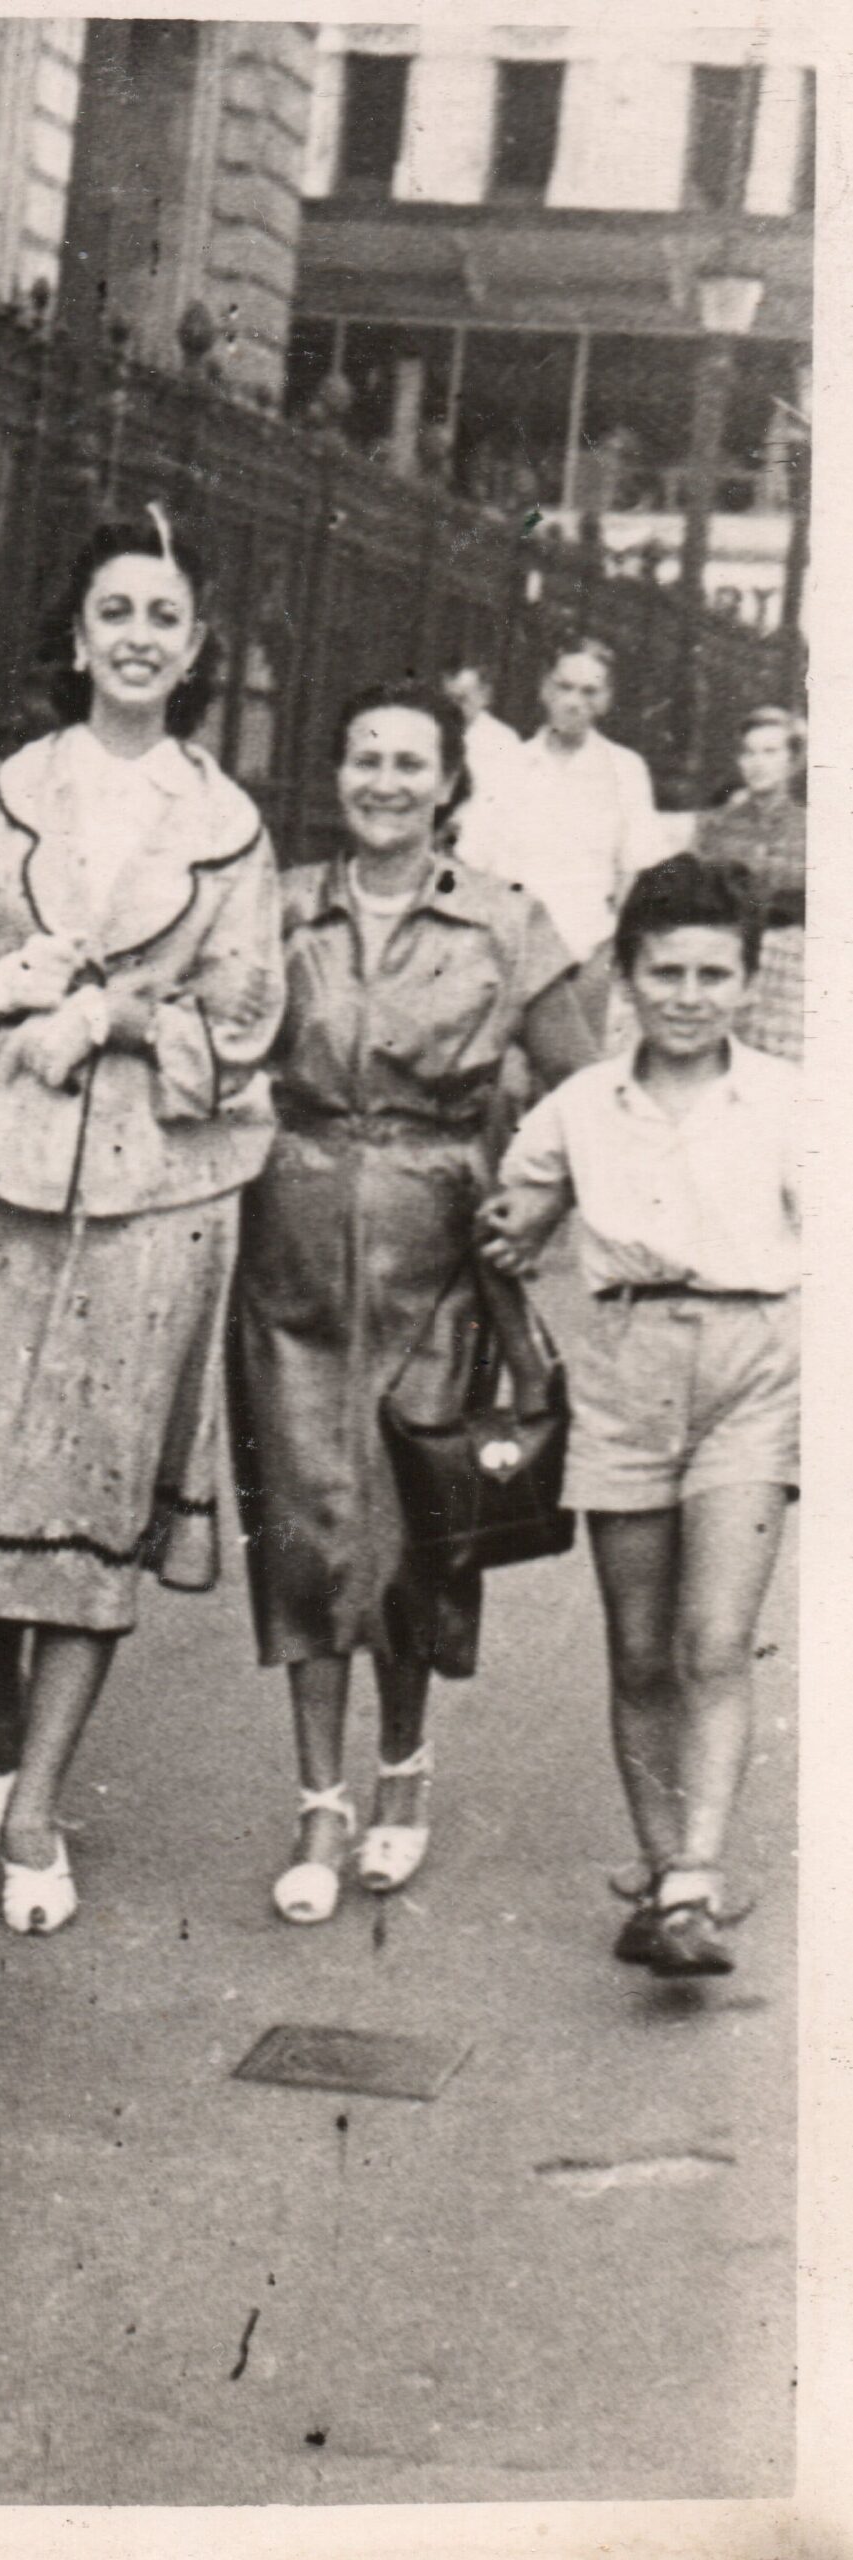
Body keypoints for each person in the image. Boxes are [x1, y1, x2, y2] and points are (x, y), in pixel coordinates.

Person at [0, 511, 285, 1937]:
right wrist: (6, 993)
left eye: (163, 616)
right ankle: (0, 1732)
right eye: (114, 609)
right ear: (73, 634)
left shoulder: (228, 830)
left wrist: (113, 1015)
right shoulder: (1, 799)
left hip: (157, 1199)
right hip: (0, 1174)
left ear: (196, 647)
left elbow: (247, 1020)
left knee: (95, 1496)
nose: (137, 637)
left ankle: (37, 1803)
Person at [228, 679, 595, 1925]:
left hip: (439, 1250)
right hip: (289, 1237)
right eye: (364, 757)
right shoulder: (277, 909)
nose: (386, 781)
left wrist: (534, 1204)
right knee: (303, 1517)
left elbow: (584, 1084)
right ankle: (316, 1797)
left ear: (450, 784)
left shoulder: (505, 922)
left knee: (413, 1513)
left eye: (411, 763)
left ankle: (401, 1771)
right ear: (337, 775)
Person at [481, 856, 797, 1978]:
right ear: (628, 976)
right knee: (639, 1646)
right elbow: (512, 1217)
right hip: (621, 1372)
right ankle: (664, 1873)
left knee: (715, 1638)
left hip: (755, 1370)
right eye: (668, 971)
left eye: (716, 973)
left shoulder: (790, 1103)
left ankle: (697, 1883)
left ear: (749, 983)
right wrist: (518, 1233)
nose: (690, 994)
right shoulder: (581, 1107)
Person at [457, 638, 664, 1041]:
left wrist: (612, 956)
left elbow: (636, 873)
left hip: (585, 957)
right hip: (508, 960)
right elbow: (472, 866)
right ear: (545, 690)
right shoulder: (506, 766)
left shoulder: (625, 770)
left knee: (573, 1086)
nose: (574, 701)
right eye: (564, 687)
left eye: (590, 691)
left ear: (606, 699)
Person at [692, 707, 805, 1062]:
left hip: (790, 974)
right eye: (749, 752)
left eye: (770, 753)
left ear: (793, 760)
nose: (757, 763)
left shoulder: (816, 830)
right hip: (727, 959)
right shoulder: (715, 827)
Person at [439, 661, 521, 814]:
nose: (454, 707)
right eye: (449, 699)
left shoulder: (502, 741)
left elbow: (505, 799)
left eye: (462, 699)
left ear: (485, 696)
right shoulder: (435, 732)